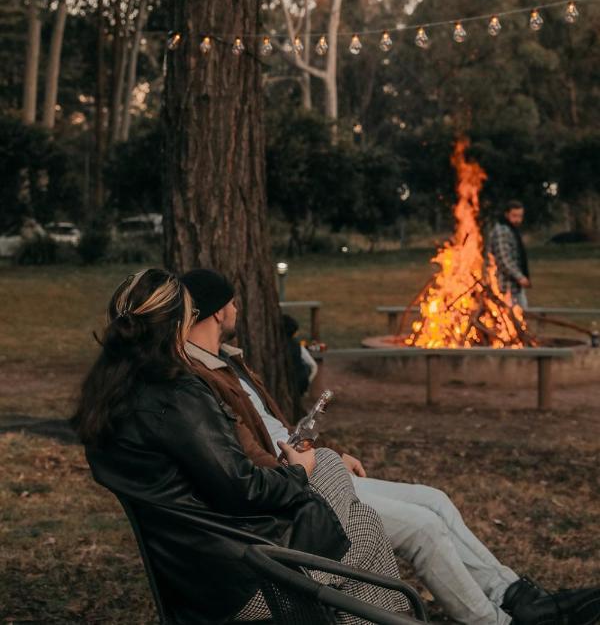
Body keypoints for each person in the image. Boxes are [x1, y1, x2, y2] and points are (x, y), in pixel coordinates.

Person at [181, 267, 600, 625]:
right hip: (296, 490)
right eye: (233, 303)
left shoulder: (225, 360)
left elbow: (268, 430)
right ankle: (496, 621)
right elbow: (244, 456)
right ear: (219, 311)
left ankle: (516, 596)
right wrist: (305, 466)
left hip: (305, 469)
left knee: (435, 500)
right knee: (425, 529)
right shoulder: (198, 378)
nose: (237, 309)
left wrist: (324, 455)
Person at [74, 268, 409, 625]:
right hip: (242, 573)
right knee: (339, 485)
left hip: (192, 565)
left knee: (358, 515)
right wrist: (298, 472)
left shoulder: (108, 397)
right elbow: (242, 487)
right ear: (178, 325)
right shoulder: (176, 395)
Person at [488, 201, 531, 308]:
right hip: (505, 287)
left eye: (520, 216)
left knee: (521, 318)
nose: (517, 220)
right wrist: (520, 277)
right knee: (512, 319)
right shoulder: (502, 231)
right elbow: (504, 259)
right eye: (514, 216)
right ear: (507, 214)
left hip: (514, 287)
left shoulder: (511, 230)